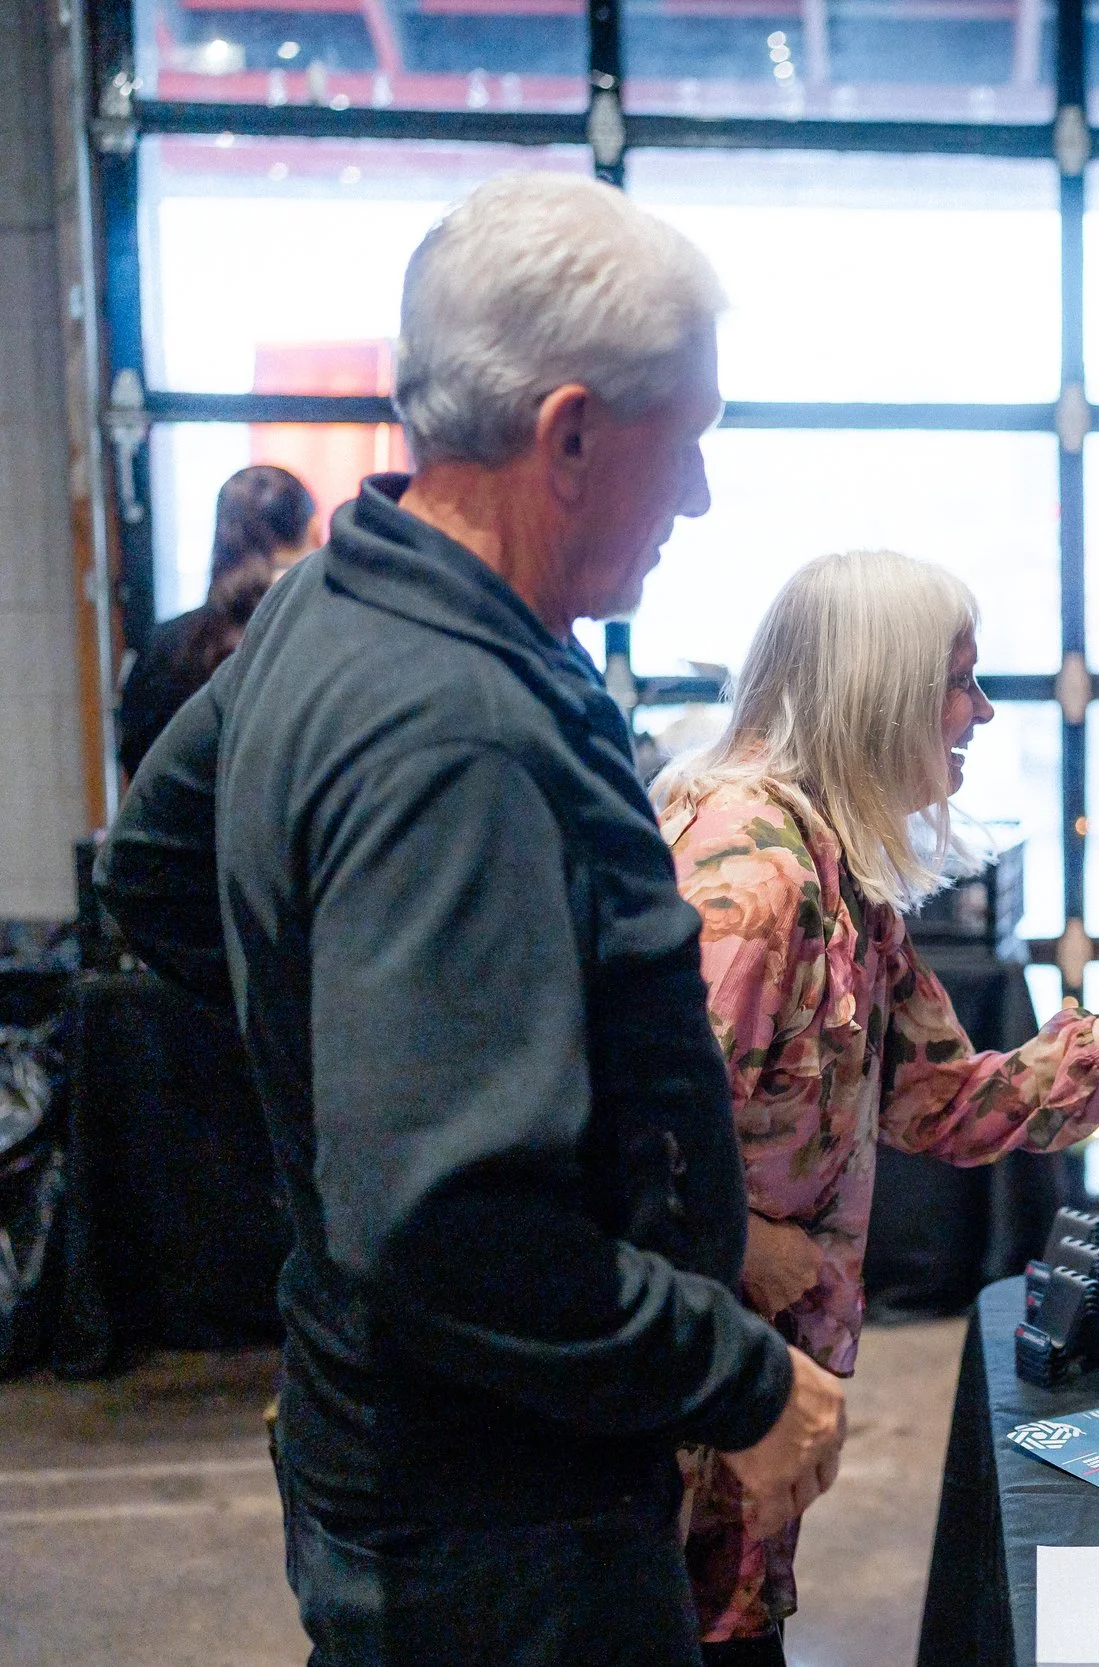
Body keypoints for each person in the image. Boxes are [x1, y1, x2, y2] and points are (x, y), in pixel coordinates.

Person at [96, 173, 845, 1665]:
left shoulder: (342, 598)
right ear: (570, 432)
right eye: (684, 441)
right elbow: (445, 1221)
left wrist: (364, 1068)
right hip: (504, 1516)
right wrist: (742, 1379)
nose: (695, 495)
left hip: (396, 1446)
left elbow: (157, 869)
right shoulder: (460, 731)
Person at [659, 549, 1099, 1664]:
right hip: (686, 1404)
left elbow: (943, 1102)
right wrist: (755, 1245)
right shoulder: (750, 885)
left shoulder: (832, 871)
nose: (983, 710)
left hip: (755, 1401)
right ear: (876, 688)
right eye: (959, 679)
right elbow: (626, 1155)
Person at [115, 463, 317, 779]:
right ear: (314, 533)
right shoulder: (319, 643)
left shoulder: (169, 646)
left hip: (190, 826)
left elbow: (138, 763)